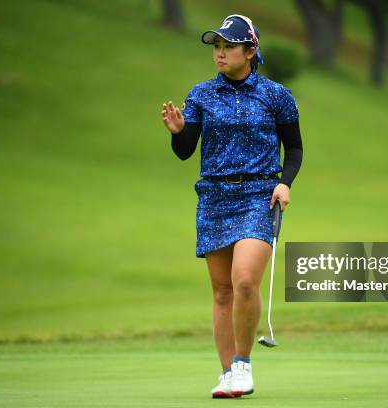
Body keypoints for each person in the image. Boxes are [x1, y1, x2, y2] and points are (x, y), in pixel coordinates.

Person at [160, 14, 303, 398]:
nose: (220, 54)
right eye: (217, 48)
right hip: (215, 198)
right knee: (222, 290)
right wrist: (178, 132)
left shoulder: (276, 95)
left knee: (243, 280)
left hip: (259, 195)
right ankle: (226, 373)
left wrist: (284, 183)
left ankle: (243, 364)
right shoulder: (202, 95)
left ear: (250, 50)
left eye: (228, 47)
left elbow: (295, 148)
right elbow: (186, 150)